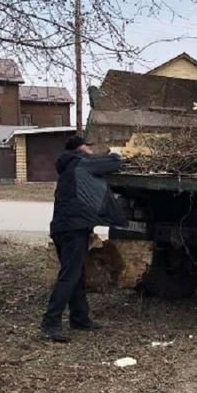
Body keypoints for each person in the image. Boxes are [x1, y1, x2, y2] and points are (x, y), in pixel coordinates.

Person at [40, 135, 125, 342]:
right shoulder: (81, 164)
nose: (91, 150)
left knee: (76, 273)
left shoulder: (68, 168)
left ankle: (80, 318)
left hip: (64, 228)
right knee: (70, 275)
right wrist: (117, 153)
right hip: (73, 229)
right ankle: (50, 322)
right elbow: (113, 163)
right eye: (89, 146)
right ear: (81, 148)